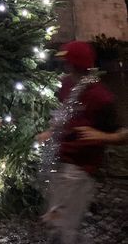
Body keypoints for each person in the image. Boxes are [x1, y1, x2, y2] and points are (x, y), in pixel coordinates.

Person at [37, 40, 128, 244]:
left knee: (65, 226)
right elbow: (63, 117)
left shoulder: (100, 97)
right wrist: (50, 132)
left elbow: (123, 133)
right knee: (55, 219)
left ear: (76, 64)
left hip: (81, 169)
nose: (64, 66)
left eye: (67, 62)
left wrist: (101, 136)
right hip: (59, 161)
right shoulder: (67, 85)